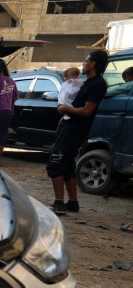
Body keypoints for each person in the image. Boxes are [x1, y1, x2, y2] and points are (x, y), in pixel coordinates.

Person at [48, 49, 109, 214]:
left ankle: (59, 203)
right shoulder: (86, 82)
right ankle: (73, 202)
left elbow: (87, 111)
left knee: (55, 164)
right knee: (67, 164)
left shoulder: (97, 84)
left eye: (86, 61)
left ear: (93, 64)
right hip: (70, 127)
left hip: (75, 130)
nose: (83, 64)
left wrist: (65, 108)